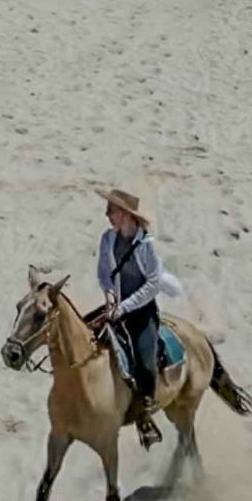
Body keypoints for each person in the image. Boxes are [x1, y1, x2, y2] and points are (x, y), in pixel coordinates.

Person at [94, 188, 167, 448]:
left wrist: (124, 307)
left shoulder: (147, 245)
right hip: (114, 306)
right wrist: (110, 295)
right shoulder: (107, 240)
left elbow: (153, 284)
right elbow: (104, 273)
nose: (107, 215)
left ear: (125, 214)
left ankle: (145, 414)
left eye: (111, 210)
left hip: (141, 310)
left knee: (145, 359)